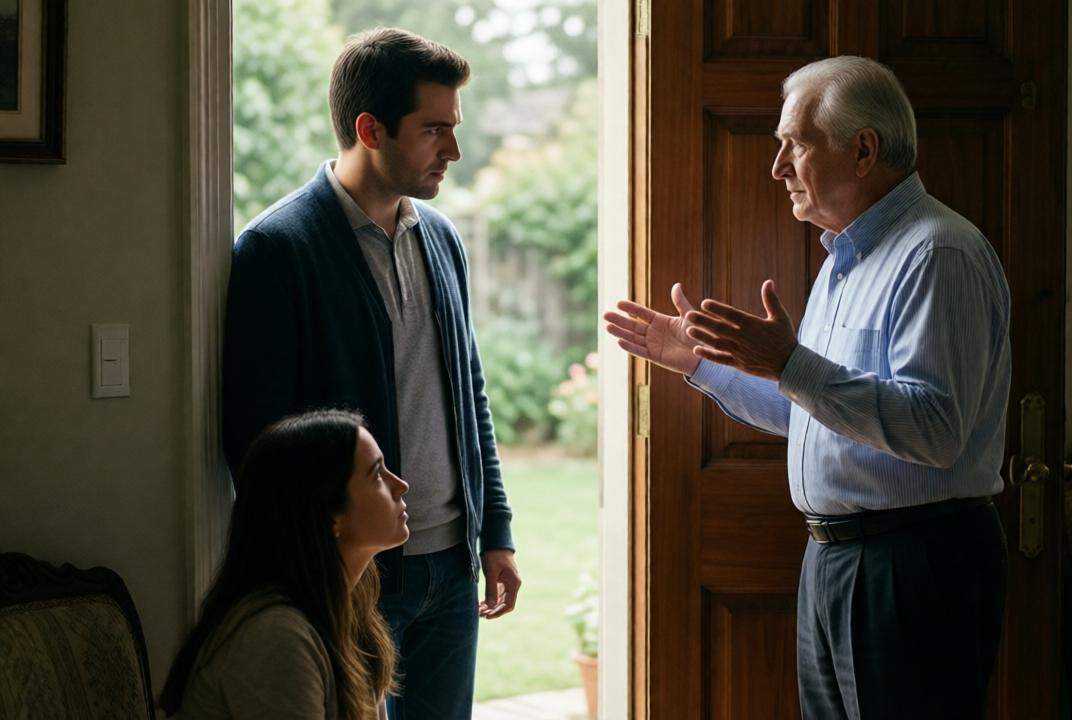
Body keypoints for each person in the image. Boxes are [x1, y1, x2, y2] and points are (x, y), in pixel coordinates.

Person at [604, 56, 1010, 719]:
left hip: (914, 564)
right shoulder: (845, 263)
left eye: (794, 144)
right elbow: (821, 415)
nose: (778, 166)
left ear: (863, 150)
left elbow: (935, 430)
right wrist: (702, 365)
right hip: (838, 562)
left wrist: (789, 363)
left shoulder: (937, 255)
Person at [221, 29, 520, 720]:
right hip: (349, 581)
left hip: (452, 571)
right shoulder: (276, 249)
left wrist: (494, 532)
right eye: (435, 130)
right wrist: (323, 569)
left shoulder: (441, 238)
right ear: (370, 128)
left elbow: (468, 393)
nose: (454, 150)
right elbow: (258, 442)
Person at [160, 409, 406, 719]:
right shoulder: (276, 638)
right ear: (329, 513)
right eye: (377, 474)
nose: (400, 485)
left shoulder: (349, 609)